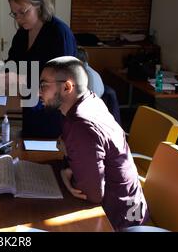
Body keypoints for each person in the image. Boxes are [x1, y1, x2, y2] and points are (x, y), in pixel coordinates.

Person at [39, 56, 148, 230]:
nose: (38, 92)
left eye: (44, 86)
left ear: (67, 87)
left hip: (120, 219)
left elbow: (92, 195)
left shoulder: (81, 125)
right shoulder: (91, 100)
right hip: (131, 204)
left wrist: (65, 175)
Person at [5, 0, 77, 138]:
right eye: (14, 14)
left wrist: (20, 79)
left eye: (23, 12)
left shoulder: (58, 32)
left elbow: (63, 81)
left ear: (38, 5)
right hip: (31, 108)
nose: (18, 19)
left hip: (56, 114)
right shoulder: (22, 34)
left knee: (49, 156)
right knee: (30, 149)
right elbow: (12, 63)